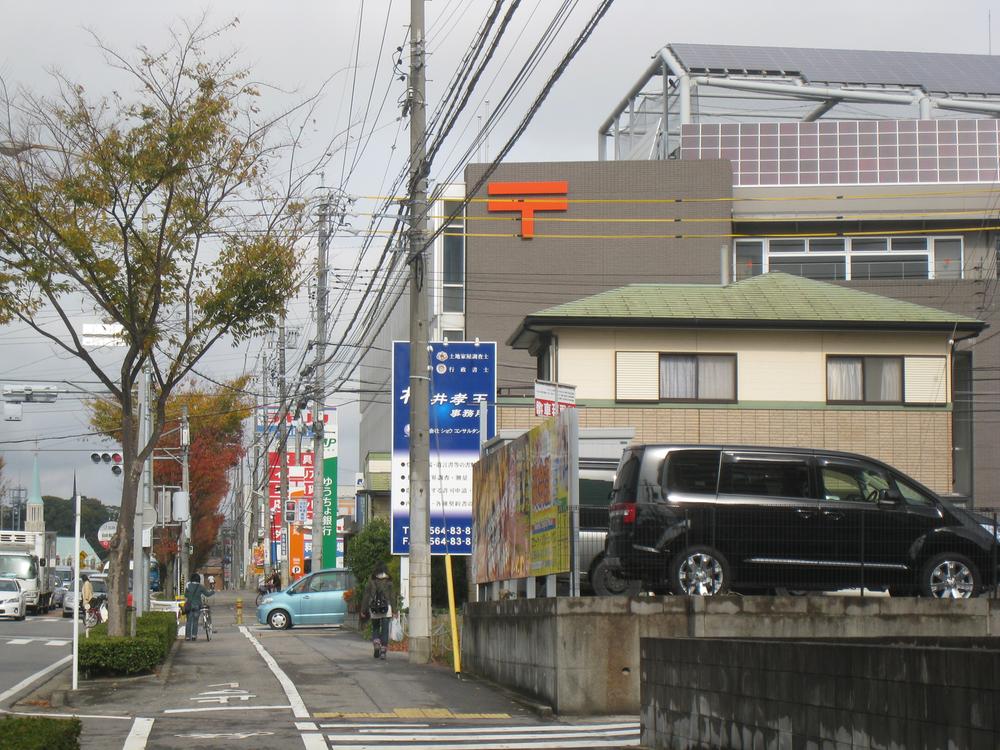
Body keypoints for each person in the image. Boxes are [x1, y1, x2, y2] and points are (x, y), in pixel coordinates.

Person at [360, 562, 394, 659]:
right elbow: (392, 596)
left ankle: (376, 644)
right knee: (385, 629)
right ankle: (383, 650)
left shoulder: (372, 580)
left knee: (375, 627)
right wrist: (395, 610)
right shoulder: (389, 580)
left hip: (374, 607)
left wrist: (363, 610)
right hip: (386, 608)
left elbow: (366, 596)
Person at [183, 573, 215, 641]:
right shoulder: (201, 586)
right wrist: (213, 591)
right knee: (195, 621)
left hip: (189, 605)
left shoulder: (188, 585)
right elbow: (207, 594)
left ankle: (187, 637)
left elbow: (185, 595)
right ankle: (194, 636)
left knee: (189, 621)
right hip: (197, 606)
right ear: (199, 579)